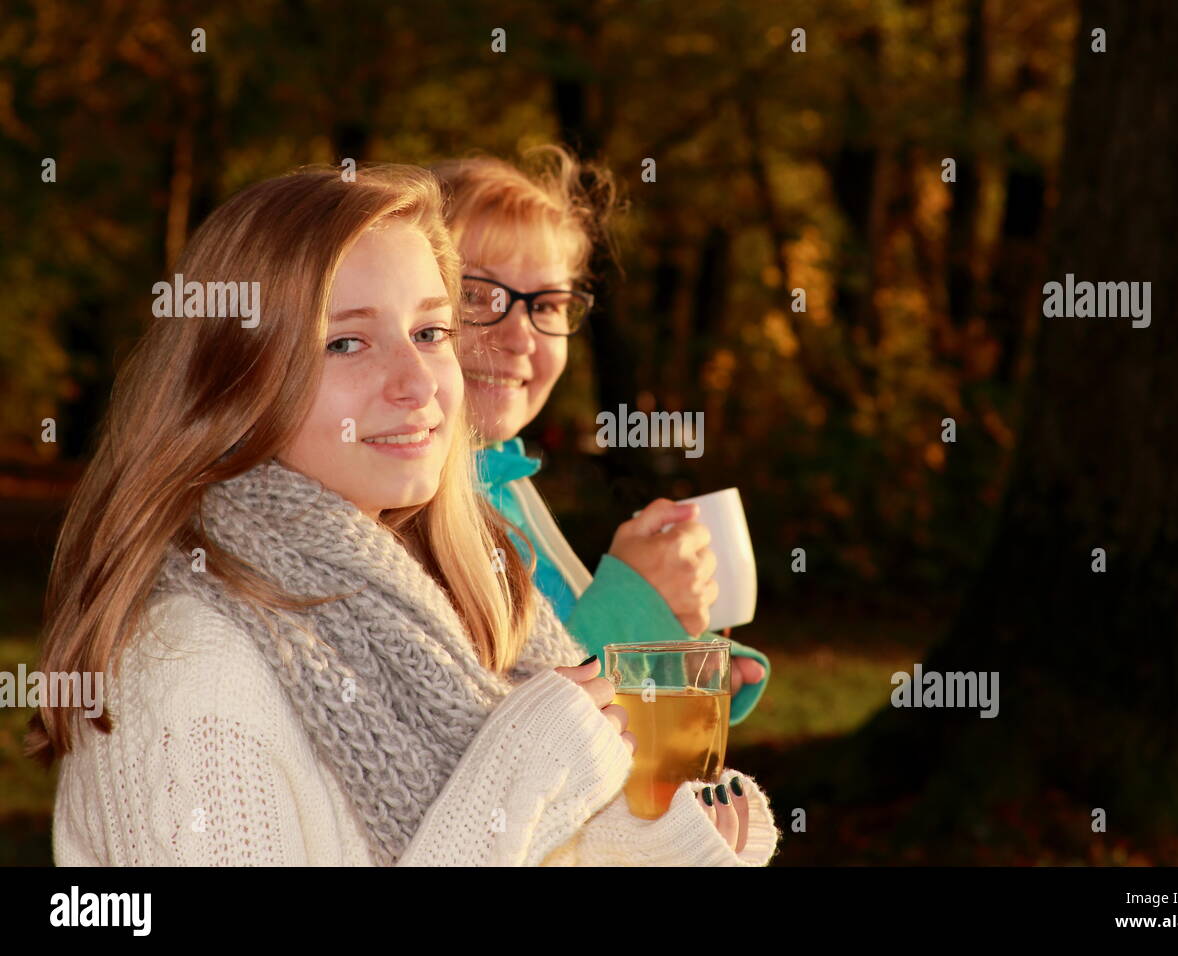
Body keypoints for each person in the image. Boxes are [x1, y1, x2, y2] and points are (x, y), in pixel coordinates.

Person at [27, 164, 780, 866]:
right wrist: (516, 778)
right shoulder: (188, 670)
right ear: (233, 380)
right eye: (347, 342)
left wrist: (679, 848)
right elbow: (495, 818)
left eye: (430, 333)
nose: (419, 383)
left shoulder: (454, 591)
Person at [431, 146, 771, 725]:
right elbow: (477, 745)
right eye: (477, 294)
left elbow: (555, 659)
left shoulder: (501, 480)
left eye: (548, 304)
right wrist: (635, 604)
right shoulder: (403, 508)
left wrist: (673, 653)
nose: (521, 336)